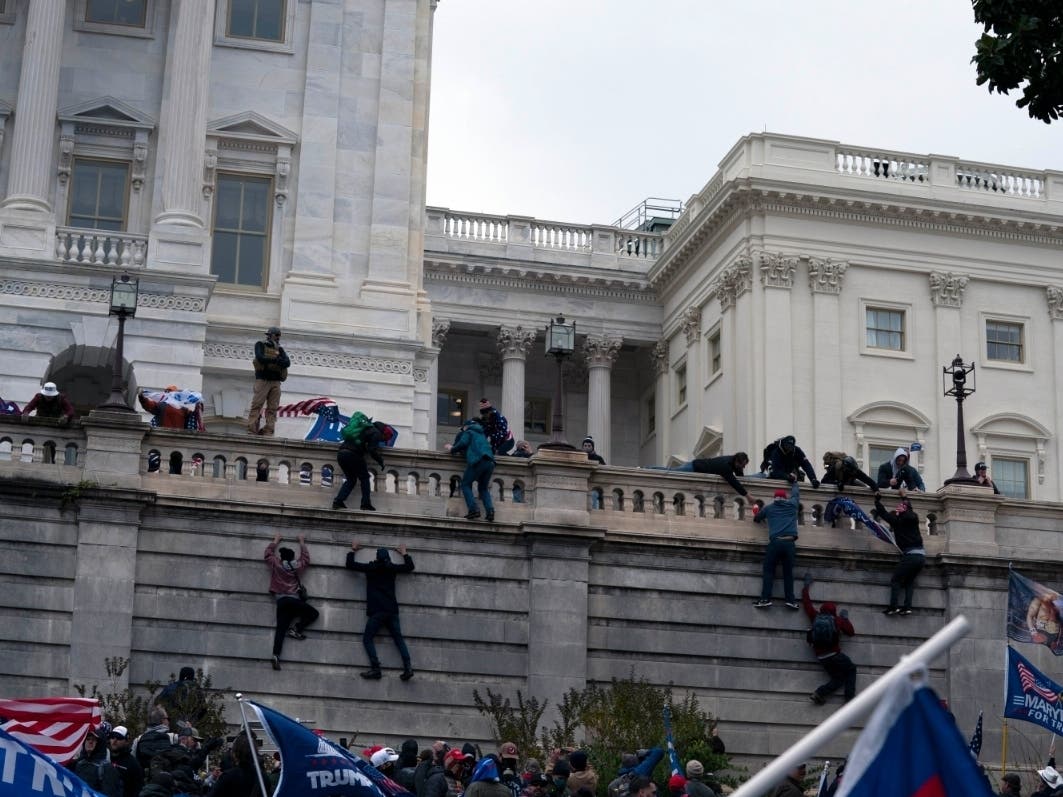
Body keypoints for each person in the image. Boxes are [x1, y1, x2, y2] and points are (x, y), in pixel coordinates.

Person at [346, 542, 415, 681]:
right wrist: (404, 553)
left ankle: (376, 669)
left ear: (377, 557)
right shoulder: (392, 568)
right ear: (388, 557)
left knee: (367, 639)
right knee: (398, 639)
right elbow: (410, 567)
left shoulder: (371, 568)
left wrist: (352, 550)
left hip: (377, 611)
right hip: (391, 611)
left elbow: (350, 565)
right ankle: (408, 668)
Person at [265, 533, 318, 671]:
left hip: (281, 601)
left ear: (282, 557)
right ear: (293, 557)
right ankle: (296, 629)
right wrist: (301, 541)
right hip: (294, 601)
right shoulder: (297, 566)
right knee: (314, 613)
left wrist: (275, 540)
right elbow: (306, 559)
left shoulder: (277, 564)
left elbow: (267, 554)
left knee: (280, 629)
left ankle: (276, 655)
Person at [802, 576, 857, 705]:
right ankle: (849, 701)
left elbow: (806, 603)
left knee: (838, 678)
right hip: (835, 655)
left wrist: (805, 587)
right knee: (851, 669)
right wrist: (845, 618)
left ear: (822, 610)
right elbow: (851, 632)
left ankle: (819, 693)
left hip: (821, 657)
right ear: (834, 611)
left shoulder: (815, 616)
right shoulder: (837, 620)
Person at [873, 490, 925, 616]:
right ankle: (907, 607)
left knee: (896, 580)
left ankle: (893, 607)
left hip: (910, 556)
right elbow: (909, 506)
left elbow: (883, 514)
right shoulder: (914, 517)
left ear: (899, 513)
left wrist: (877, 501)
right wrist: (904, 497)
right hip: (921, 556)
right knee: (909, 582)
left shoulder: (897, 521)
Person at [752, 479, 801, 609]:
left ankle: (765, 599)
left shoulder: (769, 508)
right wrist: (794, 482)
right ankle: (790, 600)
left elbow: (757, 519)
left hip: (776, 542)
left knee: (769, 570)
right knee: (788, 573)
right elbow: (796, 494)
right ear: (785, 498)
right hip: (790, 543)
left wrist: (756, 510)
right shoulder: (792, 504)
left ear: (774, 498)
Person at [333, 411, 384, 511]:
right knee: (365, 478)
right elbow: (372, 450)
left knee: (351, 479)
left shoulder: (359, 429)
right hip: (353, 454)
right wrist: (380, 461)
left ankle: (338, 501)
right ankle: (365, 503)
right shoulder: (376, 432)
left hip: (341, 454)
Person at [448, 417, 496, 521]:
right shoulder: (481, 434)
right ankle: (490, 511)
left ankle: (474, 510)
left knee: (465, 484)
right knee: (483, 488)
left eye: (462, 428)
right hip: (490, 462)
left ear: (466, 426)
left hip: (478, 460)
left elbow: (463, 443)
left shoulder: (469, 432)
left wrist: (452, 448)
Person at [248, 326, 290, 436]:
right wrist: (276, 360)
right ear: (270, 335)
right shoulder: (261, 344)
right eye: (276, 335)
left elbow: (287, 362)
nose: (278, 338)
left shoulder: (280, 349)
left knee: (273, 408)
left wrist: (276, 361)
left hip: (275, 382)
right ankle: (252, 429)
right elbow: (260, 357)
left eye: (279, 336)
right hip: (263, 380)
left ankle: (268, 430)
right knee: (257, 405)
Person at [659, 452, 751, 497]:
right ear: (737, 462)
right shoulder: (725, 466)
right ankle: (650, 469)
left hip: (697, 466)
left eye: (744, 465)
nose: (743, 468)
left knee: (672, 471)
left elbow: (739, 477)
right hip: (694, 467)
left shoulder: (733, 462)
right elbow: (733, 482)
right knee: (671, 472)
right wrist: (747, 495)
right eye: (742, 465)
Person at [70, 727, 122, 797]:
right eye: (87, 739)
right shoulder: (79, 763)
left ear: (100, 743)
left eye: (94, 740)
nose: (90, 742)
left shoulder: (107, 768)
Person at [138, 386, 205, 431]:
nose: (168, 394)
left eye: (169, 392)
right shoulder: (162, 405)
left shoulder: (183, 409)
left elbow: (194, 417)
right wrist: (142, 398)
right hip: (166, 436)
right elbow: (149, 405)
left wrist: (198, 406)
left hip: (176, 437)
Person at [108, 725, 145, 797]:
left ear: (126, 741)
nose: (114, 740)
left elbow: (137, 790)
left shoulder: (133, 764)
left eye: (119, 737)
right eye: (112, 737)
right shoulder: (105, 758)